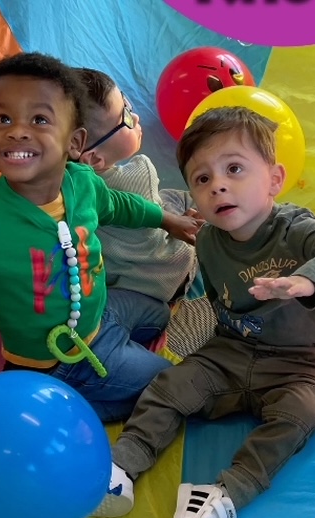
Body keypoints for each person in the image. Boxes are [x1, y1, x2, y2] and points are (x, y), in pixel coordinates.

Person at [96, 106, 315, 518]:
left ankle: (224, 497)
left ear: (274, 179)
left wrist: (306, 282)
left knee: (300, 414)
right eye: (202, 179)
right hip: (230, 350)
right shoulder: (206, 241)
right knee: (168, 386)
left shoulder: (294, 229)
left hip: (299, 362)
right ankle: (122, 467)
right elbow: (210, 297)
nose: (217, 185)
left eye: (234, 169)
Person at [0, 51, 195, 429]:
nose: (18, 131)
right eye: (2, 118)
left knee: (156, 314)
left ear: (74, 142)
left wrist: (168, 220)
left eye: (40, 119)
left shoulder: (82, 182)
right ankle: (63, 407)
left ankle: (111, 365)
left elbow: (121, 206)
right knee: (178, 386)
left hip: (99, 315)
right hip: (61, 359)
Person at [75, 66, 217, 357]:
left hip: (124, 279)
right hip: (170, 274)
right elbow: (154, 216)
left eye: (127, 104)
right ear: (94, 159)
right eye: (125, 117)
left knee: (169, 201)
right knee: (181, 200)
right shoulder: (140, 172)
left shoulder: (63, 192)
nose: (135, 117)